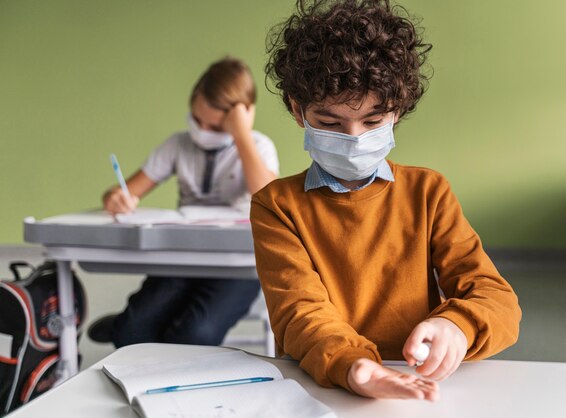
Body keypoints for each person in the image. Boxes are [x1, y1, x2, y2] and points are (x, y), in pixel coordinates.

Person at [250, 0, 521, 400]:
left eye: (373, 121)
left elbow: (495, 298)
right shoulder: (276, 206)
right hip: (322, 387)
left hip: (423, 387)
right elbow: (299, 312)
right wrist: (355, 366)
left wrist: (457, 327)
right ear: (298, 110)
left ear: (397, 111)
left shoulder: (428, 193)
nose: (354, 138)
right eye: (330, 123)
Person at [88, 57, 279, 348]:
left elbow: (268, 198)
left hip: (237, 268)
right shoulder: (178, 145)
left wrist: (241, 136)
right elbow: (123, 192)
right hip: (182, 260)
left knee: (195, 335)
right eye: (197, 120)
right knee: (132, 332)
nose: (202, 130)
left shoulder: (259, 147)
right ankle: (127, 323)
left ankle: (140, 328)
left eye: (215, 127)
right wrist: (116, 199)